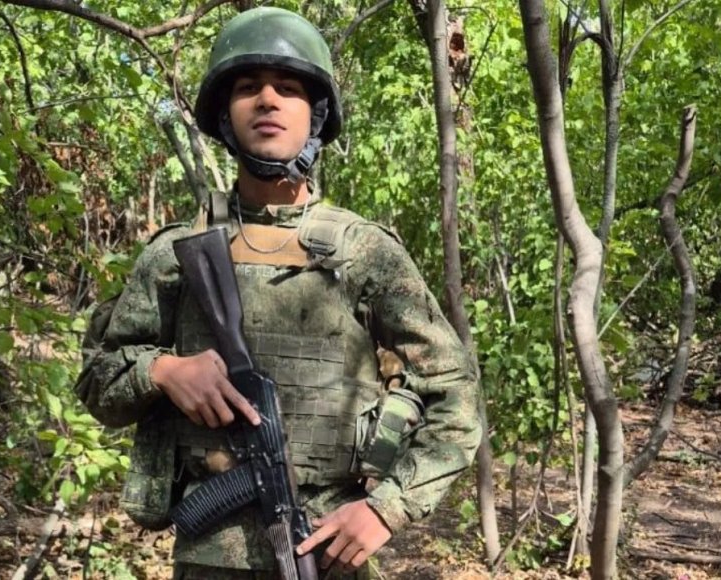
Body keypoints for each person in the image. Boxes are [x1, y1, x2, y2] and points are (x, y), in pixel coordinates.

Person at [76, 6, 481, 580]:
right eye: (248, 87)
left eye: (288, 89)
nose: (268, 100)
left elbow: (456, 391)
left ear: (316, 114)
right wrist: (163, 371)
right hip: (208, 559)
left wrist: (387, 508)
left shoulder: (363, 251)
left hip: (327, 550)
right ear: (225, 114)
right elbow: (98, 382)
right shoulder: (177, 254)